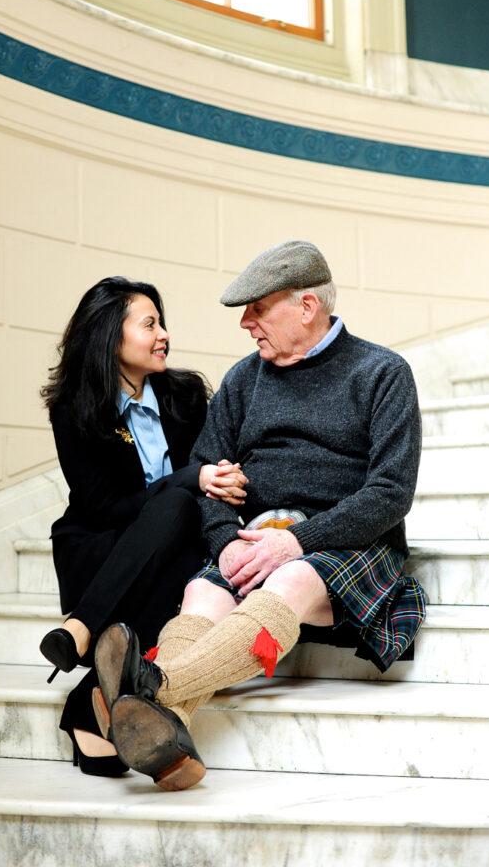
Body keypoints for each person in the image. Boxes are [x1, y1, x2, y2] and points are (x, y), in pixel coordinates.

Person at [94, 240, 427, 791]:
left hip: (347, 541)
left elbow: (391, 492)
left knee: (291, 580)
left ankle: (149, 692)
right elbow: (209, 472)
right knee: (202, 595)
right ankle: (169, 748)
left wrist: (298, 541)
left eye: (257, 308)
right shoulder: (244, 379)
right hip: (253, 536)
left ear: (306, 307)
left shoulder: (382, 372)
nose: (246, 323)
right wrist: (225, 541)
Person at [39, 276, 247, 777]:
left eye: (162, 324)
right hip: (100, 552)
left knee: (181, 518)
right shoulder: (73, 409)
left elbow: (213, 469)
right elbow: (102, 507)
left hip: (166, 556)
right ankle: (98, 668)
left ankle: (86, 668)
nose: (164, 335)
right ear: (112, 337)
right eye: (149, 324)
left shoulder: (186, 396)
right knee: (177, 501)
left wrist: (225, 480)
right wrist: (188, 480)